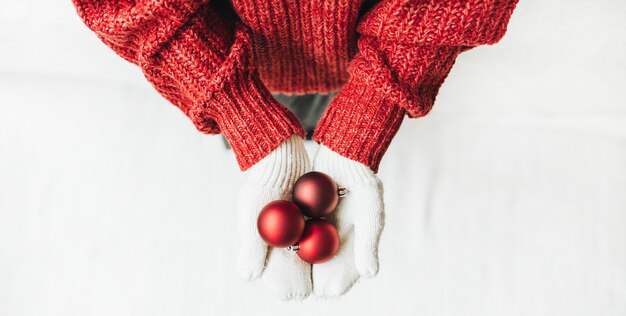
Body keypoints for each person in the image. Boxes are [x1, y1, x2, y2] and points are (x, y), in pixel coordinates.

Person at [71, 0, 518, 300]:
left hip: (367, 49)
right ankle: (289, 133)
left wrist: (370, 110)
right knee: (282, 134)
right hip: (237, 57)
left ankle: (315, 129)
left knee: (320, 127)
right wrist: (241, 110)